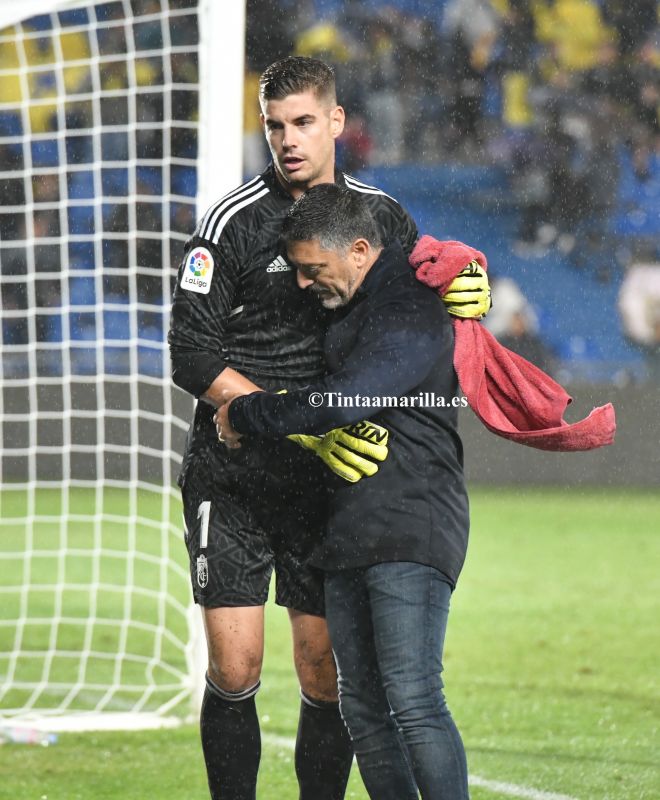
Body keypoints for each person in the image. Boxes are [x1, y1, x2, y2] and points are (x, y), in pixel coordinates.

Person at [168, 56, 489, 800]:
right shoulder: (231, 223)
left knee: (324, 671)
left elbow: (430, 292)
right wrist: (290, 424)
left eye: (304, 122)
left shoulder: (380, 216)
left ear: (337, 122)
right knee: (235, 665)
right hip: (238, 464)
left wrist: (473, 286)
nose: (288, 140)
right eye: (274, 125)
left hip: (332, 476)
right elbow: (191, 352)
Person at [217, 184, 471, 800]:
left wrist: (249, 414)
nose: (305, 285)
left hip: (412, 523)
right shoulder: (350, 304)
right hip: (350, 527)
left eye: (314, 270)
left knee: (413, 698)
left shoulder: (412, 306)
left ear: (359, 250)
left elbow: (350, 398)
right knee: (363, 709)